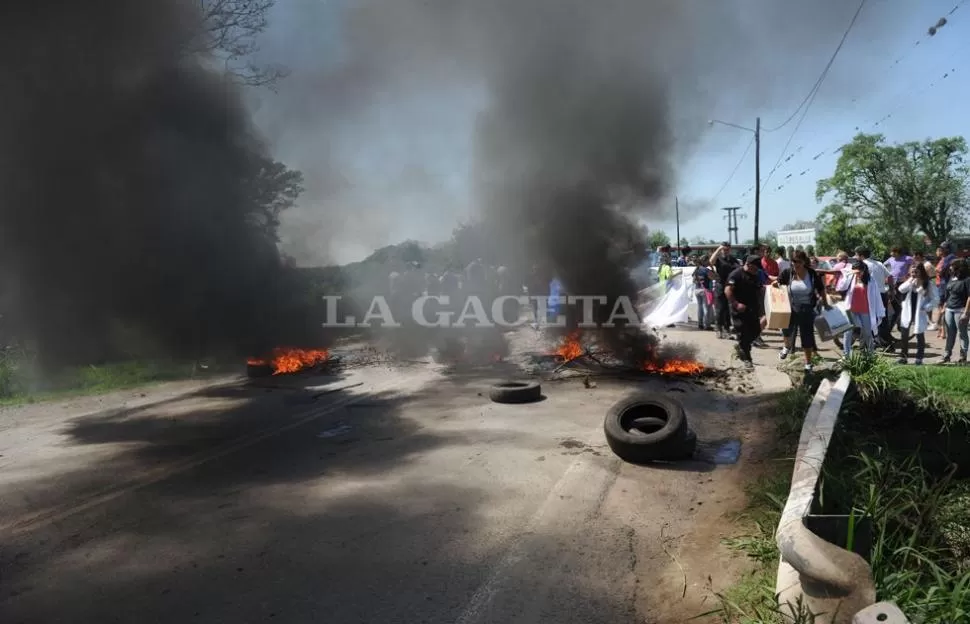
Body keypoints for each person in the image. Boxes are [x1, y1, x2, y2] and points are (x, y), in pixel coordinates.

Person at [774, 250, 828, 371]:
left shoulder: (811, 274)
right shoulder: (788, 273)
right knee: (785, 329)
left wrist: (826, 304)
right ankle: (786, 347)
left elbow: (821, 289)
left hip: (807, 308)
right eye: (793, 261)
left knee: (807, 336)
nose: (795, 264)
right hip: (791, 306)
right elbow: (778, 282)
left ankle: (808, 363)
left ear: (804, 261)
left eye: (798, 261)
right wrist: (775, 286)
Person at [725, 255, 768, 369]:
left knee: (756, 330)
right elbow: (728, 290)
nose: (756, 270)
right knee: (743, 334)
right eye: (755, 268)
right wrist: (736, 304)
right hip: (739, 310)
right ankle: (747, 359)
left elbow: (759, 288)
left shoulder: (755, 275)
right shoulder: (736, 274)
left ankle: (741, 348)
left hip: (752, 309)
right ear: (748, 265)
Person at [896, 262, 938, 365]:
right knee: (904, 334)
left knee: (919, 334)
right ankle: (903, 357)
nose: (914, 274)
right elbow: (901, 289)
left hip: (920, 312)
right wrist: (910, 279)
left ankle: (919, 358)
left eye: (916, 272)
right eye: (912, 272)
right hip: (908, 311)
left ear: (921, 272)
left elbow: (935, 299)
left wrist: (926, 307)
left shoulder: (928, 283)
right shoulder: (911, 281)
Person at [855, 247, 892, 350]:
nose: (856, 257)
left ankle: (866, 345)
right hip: (882, 294)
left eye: (856, 255)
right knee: (882, 320)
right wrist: (892, 290)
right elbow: (890, 277)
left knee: (867, 320)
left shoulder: (863, 265)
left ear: (861, 256)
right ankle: (887, 345)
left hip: (870, 296)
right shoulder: (879, 264)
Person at [842, 260, 875, 356]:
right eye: (855, 272)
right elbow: (842, 287)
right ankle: (846, 355)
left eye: (859, 272)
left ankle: (871, 354)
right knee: (847, 332)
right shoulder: (850, 278)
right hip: (851, 308)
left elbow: (874, 296)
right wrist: (848, 274)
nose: (858, 274)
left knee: (868, 332)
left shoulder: (870, 280)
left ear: (864, 270)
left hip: (865, 309)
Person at [940, 259, 970, 364]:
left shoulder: (967, 280)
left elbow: (969, 297)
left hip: (960, 310)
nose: (950, 267)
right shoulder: (952, 278)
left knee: (962, 333)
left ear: (958, 267)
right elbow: (948, 294)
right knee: (950, 334)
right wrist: (944, 306)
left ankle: (963, 356)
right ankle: (947, 355)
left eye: (952, 266)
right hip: (949, 309)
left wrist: (966, 313)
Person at [709, 242, 739, 340]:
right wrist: (718, 249)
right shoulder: (718, 259)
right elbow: (711, 261)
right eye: (724, 249)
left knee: (728, 309)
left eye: (727, 249)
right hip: (721, 286)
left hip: (730, 286)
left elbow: (738, 268)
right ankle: (719, 329)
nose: (726, 251)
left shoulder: (732, 259)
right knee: (720, 309)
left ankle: (727, 330)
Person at [692, 255, 715, 330]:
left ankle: (700, 324)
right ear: (705, 261)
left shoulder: (696, 269)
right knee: (706, 307)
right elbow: (714, 277)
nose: (709, 262)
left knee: (700, 307)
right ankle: (707, 325)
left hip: (697, 289)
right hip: (705, 290)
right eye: (708, 261)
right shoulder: (706, 270)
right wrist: (712, 267)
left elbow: (693, 280)